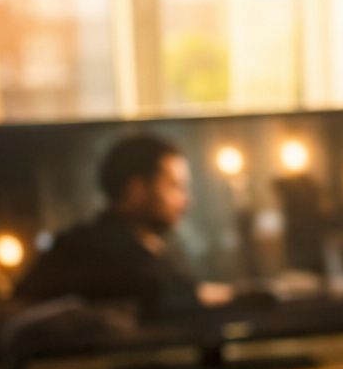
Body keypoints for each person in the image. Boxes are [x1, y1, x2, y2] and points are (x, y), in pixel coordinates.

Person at [14, 133, 217, 320]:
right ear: (136, 189)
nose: (186, 200)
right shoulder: (80, 250)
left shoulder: (161, 249)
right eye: (174, 186)